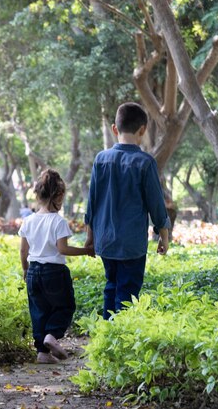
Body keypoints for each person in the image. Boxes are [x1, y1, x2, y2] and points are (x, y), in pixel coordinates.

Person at [84, 102, 170, 320]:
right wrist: (164, 236)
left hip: (105, 240)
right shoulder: (145, 162)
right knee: (128, 293)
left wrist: (90, 237)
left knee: (111, 286)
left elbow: (91, 202)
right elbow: (156, 205)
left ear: (115, 129)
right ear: (142, 130)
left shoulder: (100, 160)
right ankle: (119, 341)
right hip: (131, 244)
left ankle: (106, 335)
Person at [19, 169, 94, 364]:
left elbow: (23, 251)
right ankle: (52, 336)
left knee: (38, 310)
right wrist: (87, 251)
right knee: (65, 306)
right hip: (55, 272)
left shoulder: (28, 221)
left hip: (34, 270)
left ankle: (42, 353)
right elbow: (63, 249)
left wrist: (25, 269)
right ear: (59, 196)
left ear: (38, 195)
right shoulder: (58, 222)